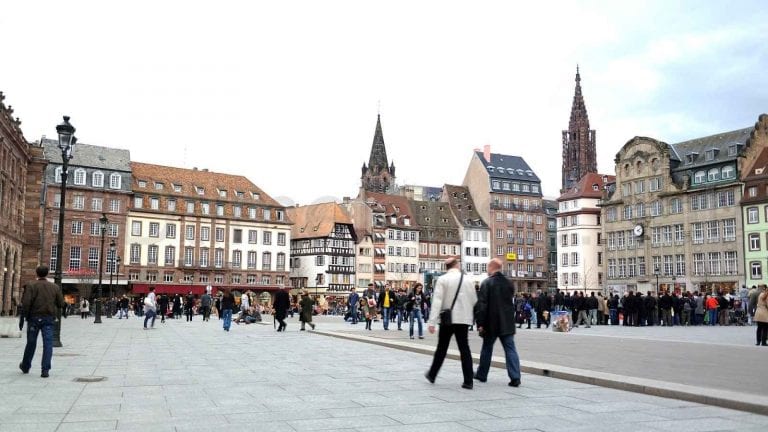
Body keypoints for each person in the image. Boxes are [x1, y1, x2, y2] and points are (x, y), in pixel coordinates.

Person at [425, 257, 477, 389]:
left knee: (442, 347)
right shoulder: (468, 279)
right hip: (463, 319)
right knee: (464, 348)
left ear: (446, 267)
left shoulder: (443, 279)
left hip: (447, 319)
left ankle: (432, 374)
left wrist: (432, 322)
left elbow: (437, 301)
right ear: (457, 265)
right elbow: (474, 299)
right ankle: (468, 380)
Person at [474, 258, 521, 387]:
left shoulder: (487, 283)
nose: (487, 270)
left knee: (487, 348)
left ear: (491, 267)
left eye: (488, 267)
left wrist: (480, 323)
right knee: (510, 349)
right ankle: (515, 377)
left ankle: (482, 374)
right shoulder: (509, 283)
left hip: (491, 322)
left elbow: (482, 305)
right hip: (507, 322)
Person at [19, 266, 65, 378]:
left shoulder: (31, 285)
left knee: (31, 342)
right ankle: (45, 370)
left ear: (37, 273)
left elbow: (26, 303)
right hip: (48, 318)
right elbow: (60, 303)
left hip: (34, 318)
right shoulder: (54, 287)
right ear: (47, 274)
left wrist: (25, 316)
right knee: (48, 344)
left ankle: (25, 366)